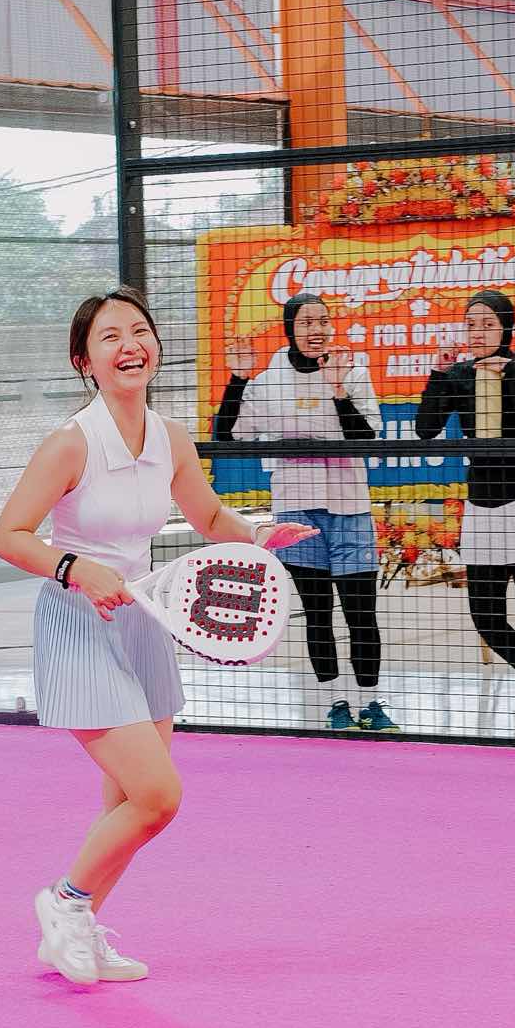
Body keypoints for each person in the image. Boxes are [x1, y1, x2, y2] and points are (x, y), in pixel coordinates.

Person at [0, 285, 310, 986]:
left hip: (144, 620)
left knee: (123, 803)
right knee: (158, 796)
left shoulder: (169, 437)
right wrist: (76, 568)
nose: (129, 345)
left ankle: (78, 931)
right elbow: (8, 535)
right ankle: (64, 901)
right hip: (79, 624)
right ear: (85, 361)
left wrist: (259, 534)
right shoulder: (70, 443)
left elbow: (209, 517)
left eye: (138, 331)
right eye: (109, 337)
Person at [215, 291, 397, 734]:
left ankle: (371, 703)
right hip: (297, 511)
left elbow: (367, 438)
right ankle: (336, 702)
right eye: (306, 322)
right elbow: (227, 437)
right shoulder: (268, 381)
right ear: (290, 330)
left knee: (361, 614)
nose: (317, 330)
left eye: (323, 321)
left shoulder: (352, 370)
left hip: (350, 507)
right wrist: (238, 378)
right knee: (318, 613)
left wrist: (338, 389)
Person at [414, 289, 515, 715]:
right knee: (486, 616)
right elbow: (425, 428)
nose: (478, 333)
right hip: (483, 508)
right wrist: (438, 373)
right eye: (471, 325)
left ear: (506, 329)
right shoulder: (459, 374)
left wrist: (509, 376)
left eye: (488, 324)